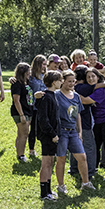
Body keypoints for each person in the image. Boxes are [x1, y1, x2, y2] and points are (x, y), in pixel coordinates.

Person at [55, 69, 93, 193]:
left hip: (73, 131)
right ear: (62, 81)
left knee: (82, 157)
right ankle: (61, 185)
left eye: (73, 81)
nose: (72, 84)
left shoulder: (76, 96)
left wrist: (79, 132)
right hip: (62, 131)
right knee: (61, 158)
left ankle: (86, 183)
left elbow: (77, 114)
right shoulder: (57, 95)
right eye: (69, 81)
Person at [36, 70, 63, 200]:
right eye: (60, 80)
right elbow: (43, 119)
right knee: (46, 164)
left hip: (53, 135)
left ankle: (48, 190)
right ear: (54, 82)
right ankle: (43, 193)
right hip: (47, 135)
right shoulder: (46, 97)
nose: (61, 82)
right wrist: (52, 134)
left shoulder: (52, 95)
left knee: (51, 162)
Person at [72, 65, 98, 181]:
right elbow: (99, 85)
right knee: (89, 147)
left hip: (71, 120)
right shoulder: (86, 88)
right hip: (84, 122)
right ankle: (90, 171)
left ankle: (73, 168)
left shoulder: (72, 87)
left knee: (74, 145)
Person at [10, 62, 34, 162]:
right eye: (28, 71)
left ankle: (19, 153)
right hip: (20, 111)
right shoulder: (17, 84)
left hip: (28, 110)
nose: (30, 73)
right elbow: (16, 100)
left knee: (21, 134)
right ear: (23, 72)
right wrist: (22, 115)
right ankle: (21, 155)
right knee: (24, 134)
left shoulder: (27, 82)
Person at [27, 54, 48, 159]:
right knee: (33, 129)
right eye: (43, 64)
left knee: (44, 128)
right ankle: (31, 150)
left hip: (45, 107)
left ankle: (46, 148)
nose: (45, 66)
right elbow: (21, 82)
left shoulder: (46, 76)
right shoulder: (30, 77)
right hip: (34, 106)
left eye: (46, 64)